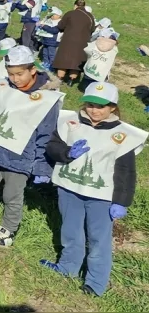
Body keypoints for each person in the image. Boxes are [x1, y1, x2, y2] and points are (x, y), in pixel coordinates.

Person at [42, 83, 145, 297]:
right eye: (90, 105)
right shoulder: (69, 123)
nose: (94, 110)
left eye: (101, 106)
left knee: (99, 238)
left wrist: (121, 201)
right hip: (70, 189)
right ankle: (67, 267)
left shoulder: (123, 134)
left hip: (101, 197)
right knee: (70, 231)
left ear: (113, 107)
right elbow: (52, 147)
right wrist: (67, 152)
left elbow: (126, 171)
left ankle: (95, 283)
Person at [0, 46, 64, 247]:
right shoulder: (1, 89)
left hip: (21, 156)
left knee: (11, 195)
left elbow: (46, 133)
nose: (15, 79)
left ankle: (7, 230)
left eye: (20, 74)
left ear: (32, 70)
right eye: (11, 74)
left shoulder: (46, 98)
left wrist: (42, 167)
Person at [53, 0, 95, 86]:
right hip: (82, 42)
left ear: (75, 5)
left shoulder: (70, 13)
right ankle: (71, 80)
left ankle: (60, 78)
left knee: (63, 61)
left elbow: (61, 26)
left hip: (68, 40)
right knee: (76, 62)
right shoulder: (90, 16)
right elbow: (92, 29)